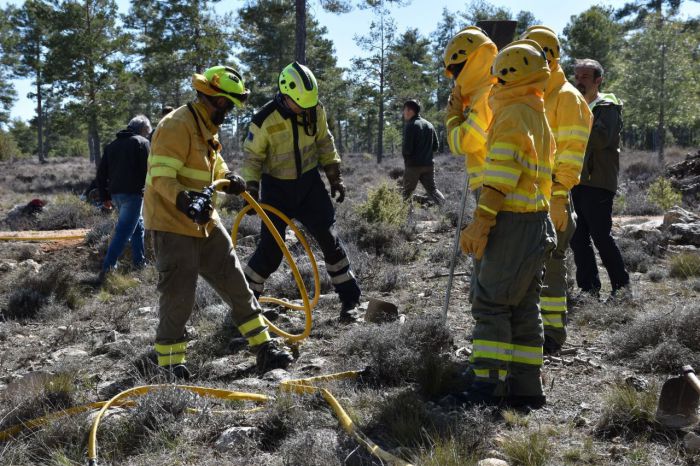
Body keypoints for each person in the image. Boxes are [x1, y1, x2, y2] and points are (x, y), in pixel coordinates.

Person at [144, 65, 293, 379]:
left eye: (231, 105)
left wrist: (230, 178)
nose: (227, 111)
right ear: (207, 95)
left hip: (205, 223)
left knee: (236, 283)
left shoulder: (205, 127)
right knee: (179, 296)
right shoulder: (176, 125)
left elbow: (216, 165)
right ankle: (169, 365)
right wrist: (185, 201)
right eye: (224, 103)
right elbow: (161, 177)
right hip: (173, 224)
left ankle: (264, 347)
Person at [458, 40, 556, 409]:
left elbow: (500, 176)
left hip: (510, 222)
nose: (495, 84)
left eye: (499, 78)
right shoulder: (536, 111)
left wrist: (482, 222)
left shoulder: (513, 113)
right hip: (535, 221)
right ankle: (526, 387)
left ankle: (487, 387)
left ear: (508, 77)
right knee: (524, 304)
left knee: (492, 303)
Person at [241, 62, 362, 323]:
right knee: (271, 251)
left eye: (308, 104)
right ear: (285, 97)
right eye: (299, 104)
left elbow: (324, 142)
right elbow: (252, 159)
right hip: (276, 190)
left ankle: (350, 299)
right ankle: (245, 306)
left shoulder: (314, 109)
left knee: (329, 240)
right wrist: (251, 188)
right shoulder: (263, 120)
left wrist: (334, 176)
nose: (304, 109)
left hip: (309, 186)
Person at [520, 26, 592, 354]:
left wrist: (560, 195)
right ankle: (531, 330)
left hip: (555, 199)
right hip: (531, 198)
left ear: (546, 58)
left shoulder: (567, 99)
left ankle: (552, 336)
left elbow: (571, 154)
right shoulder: (536, 95)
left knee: (551, 266)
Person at [571, 59, 630, 300]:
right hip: (575, 181)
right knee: (577, 239)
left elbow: (600, 140)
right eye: (577, 77)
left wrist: (575, 120)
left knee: (601, 237)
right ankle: (589, 290)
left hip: (598, 183)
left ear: (598, 80)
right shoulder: (574, 105)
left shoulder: (607, 106)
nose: (579, 81)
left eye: (585, 77)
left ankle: (622, 289)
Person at [444, 26, 498, 193]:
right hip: (493, 184)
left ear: (467, 65)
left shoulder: (486, 97)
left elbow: (464, 144)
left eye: (454, 71)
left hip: (492, 187)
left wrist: (454, 114)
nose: (454, 79)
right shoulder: (488, 90)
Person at [97, 115, 151, 279]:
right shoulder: (142, 143)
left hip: (116, 195)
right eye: (147, 132)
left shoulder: (112, 145)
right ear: (142, 130)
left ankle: (139, 262)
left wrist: (105, 197)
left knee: (137, 227)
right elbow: (149, 171)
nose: (147, 135)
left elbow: (101, 173)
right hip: (133, 194)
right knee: (124, 231)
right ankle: (108, 269)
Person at [401, 99, 444, 203]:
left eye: (405, 110)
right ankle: (445, 207)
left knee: (407, 192)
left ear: (410, 111)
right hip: (429, 165)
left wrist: (407, 160)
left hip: (413, 166)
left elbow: (407, 149)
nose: (403, 113)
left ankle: (406, 216)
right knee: (432, 190)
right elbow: (435, 147)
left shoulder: (410, 125)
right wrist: (426, 154)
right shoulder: (430, 125)